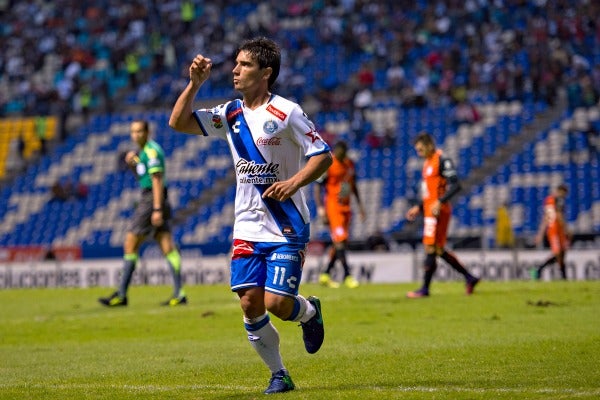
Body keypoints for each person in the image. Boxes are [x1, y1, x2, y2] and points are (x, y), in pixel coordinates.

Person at [169, 37, 332, 394]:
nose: (235, 70)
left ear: (266, 73)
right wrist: (194, 85)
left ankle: (307, 312)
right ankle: (279, 374)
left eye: (244, 65)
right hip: (246, 224)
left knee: (277, 304)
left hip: (285, 222)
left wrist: (292, 183)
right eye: (236, 63)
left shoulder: (287, 112)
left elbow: (322, 155)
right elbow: (178, 122)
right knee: (249, 302)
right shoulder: (229, 114)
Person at [98, 120, 187, 307]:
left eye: (139, 131)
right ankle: (180, 293)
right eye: (133, 132)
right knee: (167, 246)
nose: (136, 135)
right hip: (154, 198)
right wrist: (132, 164)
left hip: (151, 200)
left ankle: (121, 294)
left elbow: (156, 180)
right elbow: (143, 177)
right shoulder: (142, 153)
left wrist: (156, 208)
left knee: (130, 243)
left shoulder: (152, 151)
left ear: (147, 132)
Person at [405, 132, 480, 298]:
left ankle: (424, 289)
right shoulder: (427, 163)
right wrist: (418, 207)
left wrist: (439, 201)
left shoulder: (442, 161)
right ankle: (470, 277)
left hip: (438, 211)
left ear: (429, 146)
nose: (419, 153)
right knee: (438, 249)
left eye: (420, 149)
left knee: (430, 247)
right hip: (430, 210)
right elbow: (428, 191)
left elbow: (456, 185)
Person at [314, 140, 365, 288]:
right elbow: (318, 186)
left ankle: (325, 274)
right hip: (333, 207)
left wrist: (361, 206)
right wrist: (320, 208)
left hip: (346, 208)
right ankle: (348, 276)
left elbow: (352, 186)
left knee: (339, 243)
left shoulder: (350, 164)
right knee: (340, 240)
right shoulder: (329, 164)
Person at [532, 184, 570, 280]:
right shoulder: (558, 200)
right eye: (564, 193)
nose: (564, 196)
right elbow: (558, 215)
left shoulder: (548, 200)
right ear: (560, 191)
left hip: (552, 230)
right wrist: (566, 229)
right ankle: (540, 269)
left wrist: (540, 234)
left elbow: (545, 218)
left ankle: (562, 276)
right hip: (556, 230)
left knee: (562, 253)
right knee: (558, 253)